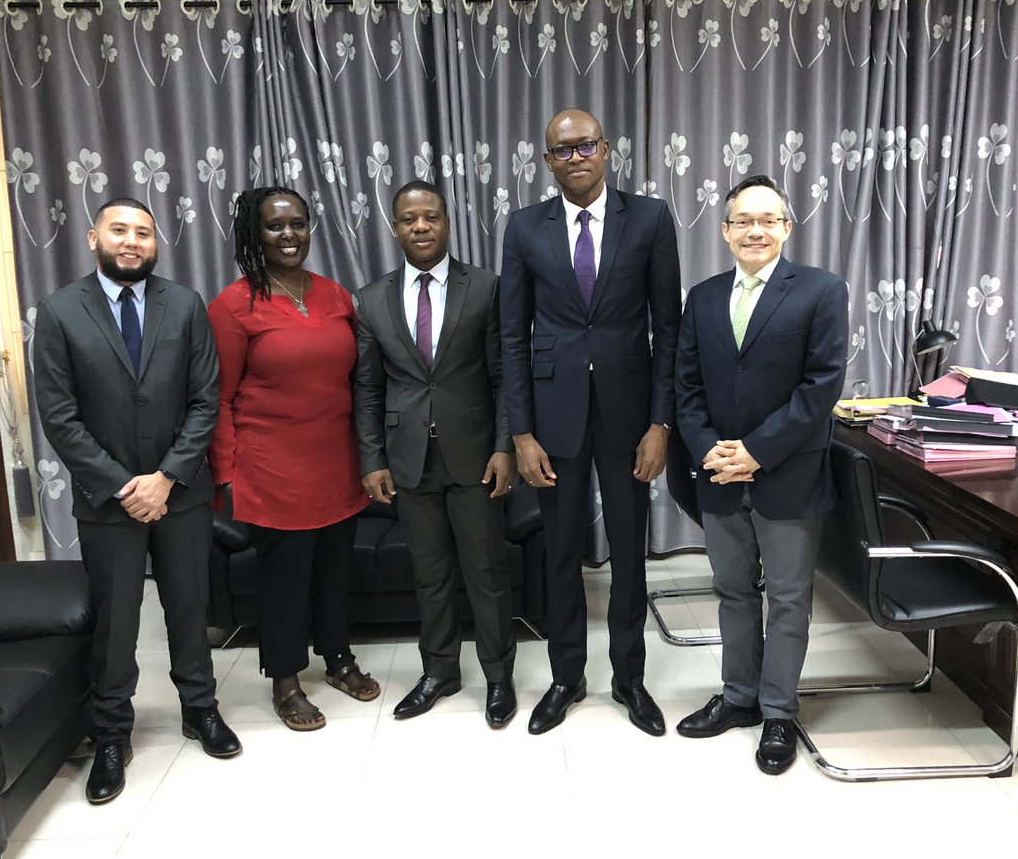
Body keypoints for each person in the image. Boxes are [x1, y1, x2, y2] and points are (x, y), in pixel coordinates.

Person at [33, 198, 241, 806]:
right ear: (93, 237)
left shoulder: (185, 305)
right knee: (116, 620)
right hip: (109, 502)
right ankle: (111, 734)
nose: (131, 241)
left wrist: (167, 477)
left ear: (156, 243)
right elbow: (59, 415)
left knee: (189, 606)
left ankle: (200, 709)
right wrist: (127, 485)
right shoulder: (60, 311)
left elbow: (205, 399)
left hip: (181, 494)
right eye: (119, 230)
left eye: (143, 233)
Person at [500, 109, 682, 736]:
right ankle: (566, 677)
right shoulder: (525, 227)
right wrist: (521, 433)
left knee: (629, 552)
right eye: (562, 150)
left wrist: (661, 424)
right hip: (553, 419)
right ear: (547, 161)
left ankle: (629, 678)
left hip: (631, 418)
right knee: (561, 553)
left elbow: (668, 328)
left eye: (584, 147)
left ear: (605, 150)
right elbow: (513, 335)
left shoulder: (650, 219)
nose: (575, 158)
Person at [673, 174, 847, 774]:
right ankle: (739, 696)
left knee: (789, 599)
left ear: (786, 228)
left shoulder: (821, 291)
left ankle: (778, 712)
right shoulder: (702, 297)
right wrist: (710, 451)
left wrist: (757, 451)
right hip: (719, 474)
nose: (756, 230)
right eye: (743, 221)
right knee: (732, 590)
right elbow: (686, 386)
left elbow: (821, 386)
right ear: (725, 231)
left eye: (768, 220)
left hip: (788, 473)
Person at [208, 187, 380, 732]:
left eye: (298, 224)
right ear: (255, 234)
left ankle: (338, 659)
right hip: (272, 468)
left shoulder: (335, 296)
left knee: (334, 571)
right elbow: (218, 398)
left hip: (337, 462)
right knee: (285, 579)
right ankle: (285, 679)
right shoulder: (233, 305)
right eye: (275, 226)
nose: (289, 235)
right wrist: (226, 472)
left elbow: (359, 381)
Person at [354, 180, 518, 728]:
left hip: (476, 456)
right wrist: (372, 458)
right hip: (408, 460)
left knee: (486, 573)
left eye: (430, 217)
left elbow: (503, 377)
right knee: (429, 574)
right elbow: (368, 388)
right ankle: (440, 671)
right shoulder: (371, 298)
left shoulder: (487, 288)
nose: (420, 226)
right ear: (394, 228)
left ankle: (498, 677)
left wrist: (504, 447)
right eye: (409, 219)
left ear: (447, 223)